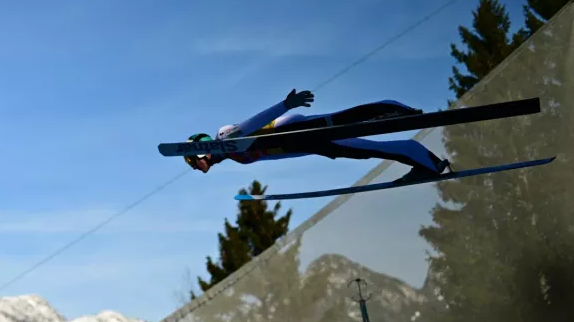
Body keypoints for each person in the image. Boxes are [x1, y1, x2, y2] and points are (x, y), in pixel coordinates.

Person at [184, 89, 451, 182]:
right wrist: (315, 149)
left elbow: (254, 122)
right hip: (304, 143)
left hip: (292, 129)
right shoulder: (234, 158)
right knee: (365, 149)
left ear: (199, 150)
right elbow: (276, 156)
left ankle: (399, 110)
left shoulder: (224, 137)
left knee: (346, 119)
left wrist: (285, 105)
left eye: (192, 162)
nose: (195, 168)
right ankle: (427, 163)